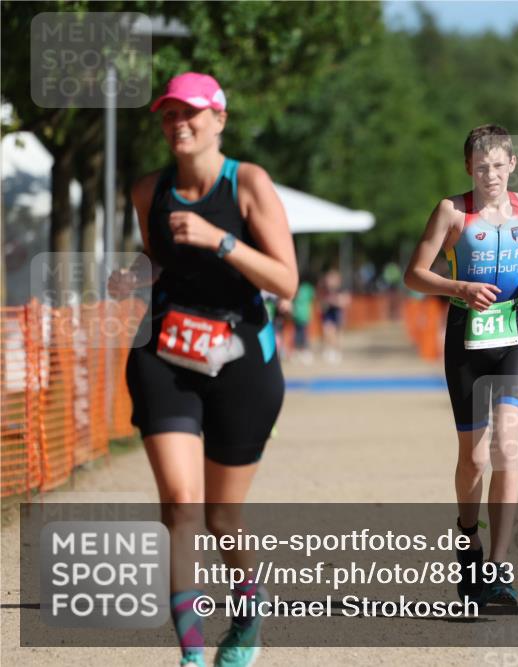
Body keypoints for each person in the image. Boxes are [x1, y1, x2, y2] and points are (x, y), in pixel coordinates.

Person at [110, 72, 297, 666]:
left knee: (221, 516)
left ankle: (247, 611)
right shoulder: (147, 190)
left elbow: (286, 281)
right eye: (168, 115)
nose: (178, 124)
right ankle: (191, 650)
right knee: (182, 504)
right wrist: (134, 276)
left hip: (243, 358)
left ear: (219, 118)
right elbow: (159, 260)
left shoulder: (249, 184)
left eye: (190, 113)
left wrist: (221, 240)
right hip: (164, 351)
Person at [403, 124, 518, 607]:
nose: (491, 174)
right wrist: (459, 288)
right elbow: (415, 275)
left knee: (509, 446)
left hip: (516, 335)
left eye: (498, 165)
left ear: (513, 164)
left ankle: (499, 568)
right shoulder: (452, 211)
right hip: (467, 339)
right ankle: (469, 542)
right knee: (475, 457)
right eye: (481, 166)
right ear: (469, 167)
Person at [318, 268, 350, 363]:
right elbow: (321, 302)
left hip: (338, 313)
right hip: (328, 313)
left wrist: (334, 301)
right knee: (327, 331)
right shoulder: (325, 289)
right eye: (328, 279)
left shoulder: (341, 289)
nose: (330, 281)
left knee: (338, 334)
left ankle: (337, 351)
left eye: (332, 279)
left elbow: (345, 301)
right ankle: (329, 350)